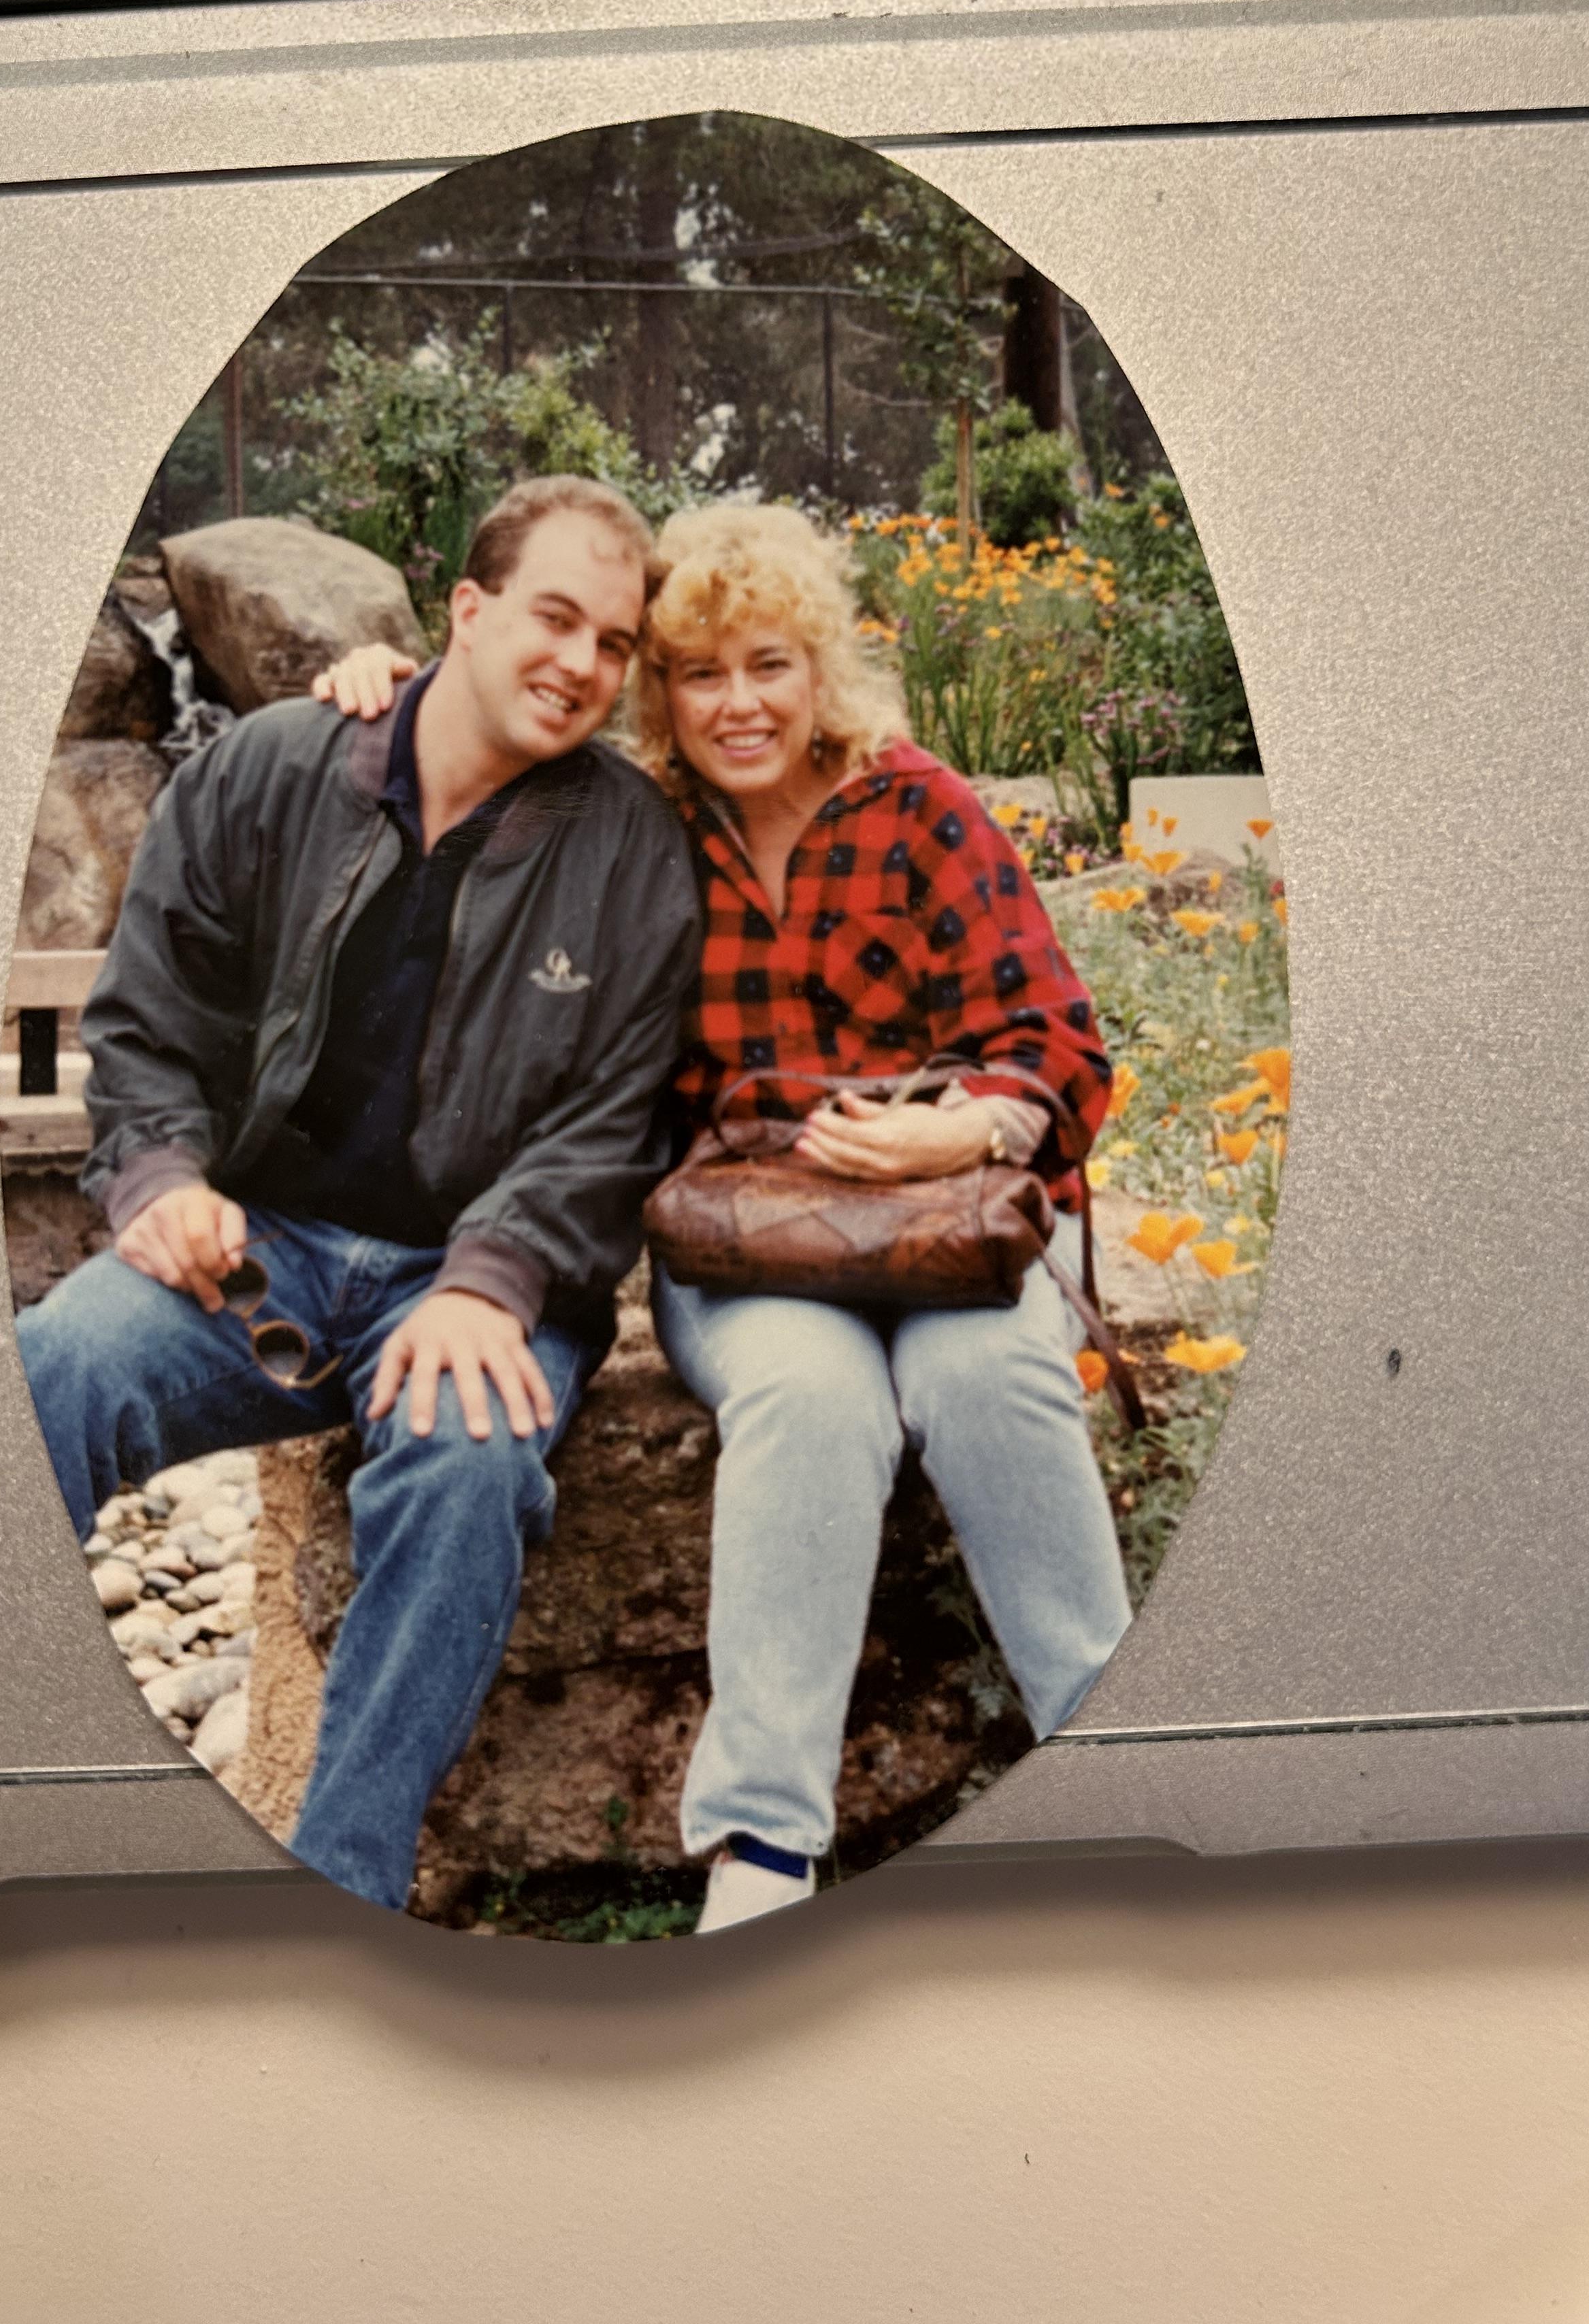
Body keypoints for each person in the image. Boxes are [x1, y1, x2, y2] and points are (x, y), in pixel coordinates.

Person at [321, 503, 1132, 1938]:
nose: (738, 704)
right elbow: (469, 743)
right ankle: (762, 1849)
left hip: (948, 1227)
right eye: (700, 673)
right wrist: (383, 680)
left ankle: (1124, 1774)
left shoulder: (918, 809)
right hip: (749, 1249)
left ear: (820, 669)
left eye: (769, 665)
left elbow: (1062, 1042)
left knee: (990, 1381)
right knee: (809, 1400)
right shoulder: (636, 828)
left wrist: (970, 1122)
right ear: (662, 691)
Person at [16, 478, 703, 1914]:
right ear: (466, 610)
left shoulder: (631, 845)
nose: (582, 663)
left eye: (614, 643)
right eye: (554, 618)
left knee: (469, 1462)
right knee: (53, 1367)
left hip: (478, 1278)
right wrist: (160, 1179)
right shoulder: (272, 767)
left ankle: (338, 1902)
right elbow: (150, 1021)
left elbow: (617, 1118)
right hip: (252, 1258)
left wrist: (492, 1280)